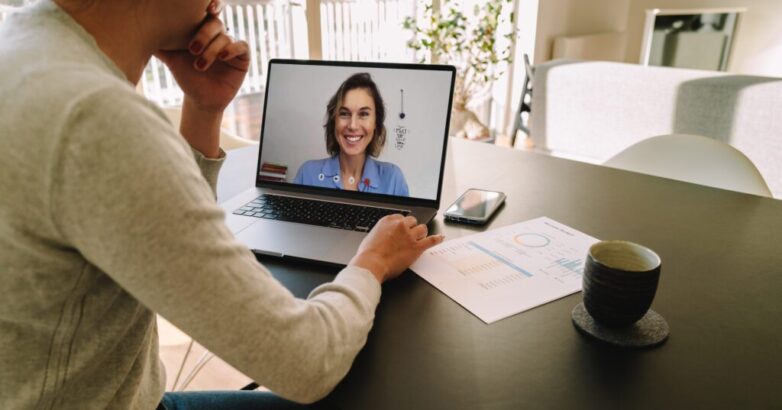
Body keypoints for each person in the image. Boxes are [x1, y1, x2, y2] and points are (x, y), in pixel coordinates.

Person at [0, 0, 444, 409]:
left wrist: (203, 108)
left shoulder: (24, 44)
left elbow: (159, 230)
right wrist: (372, 260)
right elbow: (309, 362)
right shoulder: (98, 117)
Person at [293, 73, 410, 196]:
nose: (353, 125)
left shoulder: (393, 179)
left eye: (364, 114)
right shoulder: (307, 174)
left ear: (376, 122)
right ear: (334, 120)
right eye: (344, 113)